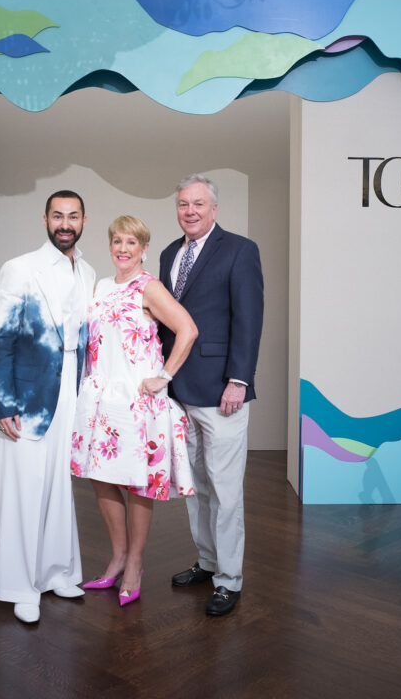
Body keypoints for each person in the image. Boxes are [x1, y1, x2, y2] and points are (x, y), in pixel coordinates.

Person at [71, 215, 198, 607]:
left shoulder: (149, 287)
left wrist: (163, 376)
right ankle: (117, 558)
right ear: (110, 246)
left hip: (136, 400)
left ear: (144, 249)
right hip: (100, 397)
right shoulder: (100, 286)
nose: (123, 249)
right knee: (101, 478)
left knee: (137, 482)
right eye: (117, 241)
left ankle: (135, 564)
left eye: (131, 242)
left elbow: (188, 329)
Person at [0, 190, 96, 624]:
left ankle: (57, 573)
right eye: (57, 216)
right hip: (28, 396)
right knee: (24, 487)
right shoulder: (20, 268)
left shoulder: (88, 271)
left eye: (73, 216)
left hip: (72, 388)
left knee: (59, 485)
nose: (65, 224)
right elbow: (1, 339)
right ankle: (19, 586)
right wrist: (3, 402)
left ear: (84, 221)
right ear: (46, 219)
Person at [159, 174, 264, 617]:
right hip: (179, 392)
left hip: (222, 391)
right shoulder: (169, 253)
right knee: (196, 487)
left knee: (225, 490)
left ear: (214, 209)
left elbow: (249, 318)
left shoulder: (240, 250)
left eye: (199, 204)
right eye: (183, 204)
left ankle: (229, 580)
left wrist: (239, 380)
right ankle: (207, 562)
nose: (190, 211)